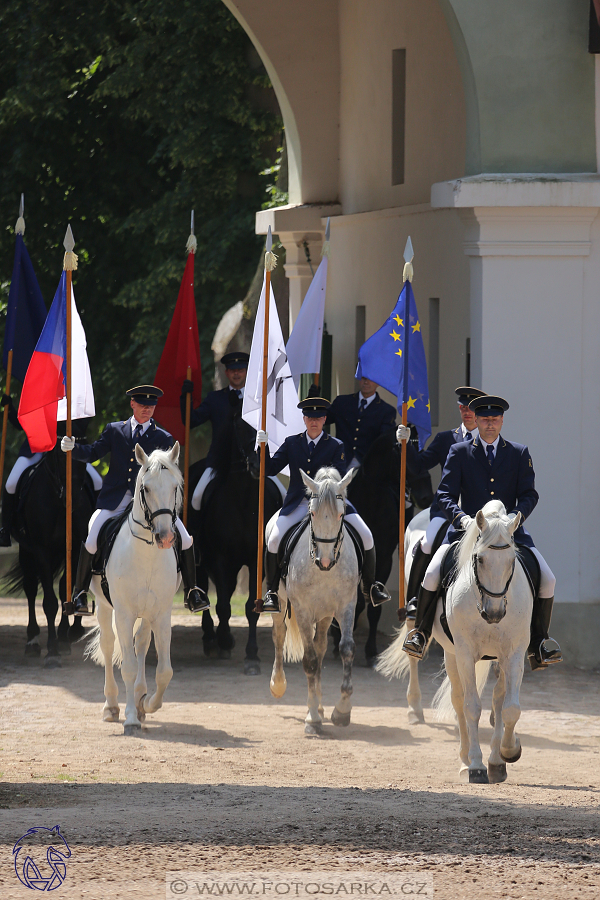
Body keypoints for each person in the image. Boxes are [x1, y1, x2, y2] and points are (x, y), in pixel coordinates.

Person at [402, 395, 562, 670]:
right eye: (485, 419)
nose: (490, 424)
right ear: (476, 420)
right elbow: (445, 494)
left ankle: (539, 643)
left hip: (510, 534)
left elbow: (529, 495)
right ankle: (421, 634)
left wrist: (514, 517)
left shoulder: (518, 452)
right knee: (431, 574)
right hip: (468, 533)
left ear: (502, 421)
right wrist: (462, 520)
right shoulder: (460, 451)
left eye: (495, 419)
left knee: (548, 579)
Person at [61, 385, 209, 616]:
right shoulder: (114, 430)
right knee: (91, 540)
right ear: (132, 404)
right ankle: (79, 593)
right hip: (116, 499)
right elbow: (93, 453)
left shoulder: (164, 438)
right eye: (142, 405)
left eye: (151, 406)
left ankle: (192, 591)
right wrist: (73, 448)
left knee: (187, 539)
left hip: (152, 502)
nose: (147, 409)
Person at [258, 396, 391, 613]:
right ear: (304, 419)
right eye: (310, 417)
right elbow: (270, 469)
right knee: (273, 540)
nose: (314, 421)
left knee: (366, 535)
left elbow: (337, 478)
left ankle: (370, 586)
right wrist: (262, 448)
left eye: (318, 417)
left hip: (329, 505)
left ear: (324, 419)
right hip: (299, 504)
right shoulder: (292, 443)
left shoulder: (336, 445)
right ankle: (272, 592)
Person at [401, 386, 486, 606]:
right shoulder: (446, 438)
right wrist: (407, 443)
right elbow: (419, 465)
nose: (466, 412)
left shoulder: (489, 441)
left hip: (478, 512)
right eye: (462, 407)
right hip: (446, 510)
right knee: (427, 544)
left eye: (471, 408)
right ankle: (414, 601)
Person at [181, 350, 284, 508]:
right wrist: (185, 397)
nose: (237, 374)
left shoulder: (259, 401)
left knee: (283, 494)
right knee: (196, 498)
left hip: (255, 460)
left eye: (240, 370)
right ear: (227, 372)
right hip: (218, 461)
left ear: (246, 372)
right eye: (233, 370)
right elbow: (191, 421)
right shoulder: (215, 399)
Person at [0, 396, 103, 547]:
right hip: (36, 448)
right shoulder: (40, 392)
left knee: (98, 481)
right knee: (11, 483)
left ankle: (97, 531)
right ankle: (6, 530)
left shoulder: (73, 394)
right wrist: (10, 410)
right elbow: (23, 424)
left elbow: (83, 424)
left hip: (67, 450)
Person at [327, 376, 397, 469]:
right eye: (363, 378)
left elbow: (385, 441)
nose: (366, 382)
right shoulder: (342, 402)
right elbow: (321, 420)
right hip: (340, 463)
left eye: (371, 379)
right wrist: (313, 403)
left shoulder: (386, 411)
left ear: (378, 383)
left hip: (367, 467)